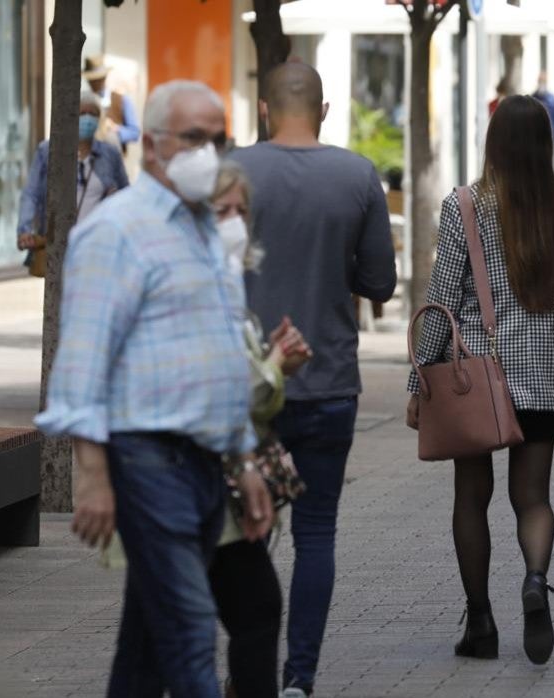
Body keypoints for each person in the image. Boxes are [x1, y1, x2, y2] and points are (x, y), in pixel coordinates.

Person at [34, 79, 274, 695]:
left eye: (216, 140)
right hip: (146, 459)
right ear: (153, 144)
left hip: (201, 462)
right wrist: (92, 476)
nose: (207, 154)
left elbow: (221, 351)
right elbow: (83, 363)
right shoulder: (116, 231)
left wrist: (244, 460)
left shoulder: (203, 228)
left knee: (144, 650)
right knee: (191, 631)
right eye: (193, 138)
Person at [231, 62, 396, 698]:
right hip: (328, 379)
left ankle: (250, 675)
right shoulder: (357, 175)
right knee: (317, 532)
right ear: (323, 110)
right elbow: (380, 283)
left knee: (248, 532)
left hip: (247, 387)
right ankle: (300, 678)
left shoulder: (232, 173)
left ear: (266, 110)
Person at [409, 95, 554, 666]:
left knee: (471, 498)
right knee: (532, 497)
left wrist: (420, 382)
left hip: (476, 376)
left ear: (492, 142)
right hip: (544, 368)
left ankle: (480, 621)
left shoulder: (465, 205)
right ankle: (535, 579)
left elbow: (442, 297)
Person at [209, 161, 312, 698]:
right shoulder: (197, 289)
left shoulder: (228, 288)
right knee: (249, 613)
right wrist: (272, 365)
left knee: (247, 614)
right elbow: (229, 391)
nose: (234, 223)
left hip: (220, 484)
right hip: (196, 487)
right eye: (221, 211)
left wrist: (271, 360)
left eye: (241, 212)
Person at [16, 90, 129, 271]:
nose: (87, 118)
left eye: (93, 114)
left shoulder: (109, 154)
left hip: (96, 245)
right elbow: (31, 193)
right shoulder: (47, 151)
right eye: (82, 113)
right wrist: (24, 229)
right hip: (57, 243)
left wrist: (114, 199)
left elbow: (126, 194)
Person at [83, 56, 140, 153]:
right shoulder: (84, 101)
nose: (93, 83)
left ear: (104, 78)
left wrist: (115, 129)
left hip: (113, 156)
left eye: (97, 79)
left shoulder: (122, 100)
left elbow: (135, 133)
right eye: (91, 80)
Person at [533, 71, 554, 144]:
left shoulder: (551, 98)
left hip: (550, 134)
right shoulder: (534, 98)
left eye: (544, 82)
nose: (542, 84)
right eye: (541, 82)